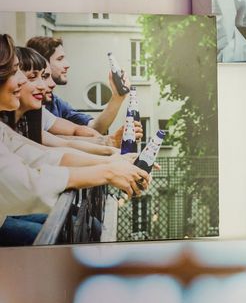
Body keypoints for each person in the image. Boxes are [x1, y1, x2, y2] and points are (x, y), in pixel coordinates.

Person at [0, 35, 150, 245]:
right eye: (30, 75)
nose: (23, 80)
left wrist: (114, 157)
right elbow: (30, 182)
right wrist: (109, 168)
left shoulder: (37, 113)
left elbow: (50, 152)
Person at [25, 35, 126, 138]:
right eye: (59, 59)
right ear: (41, 63)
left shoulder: (56, 103)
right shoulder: (26, 110)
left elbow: (93, 128)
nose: (67, 65)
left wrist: (117, 97)